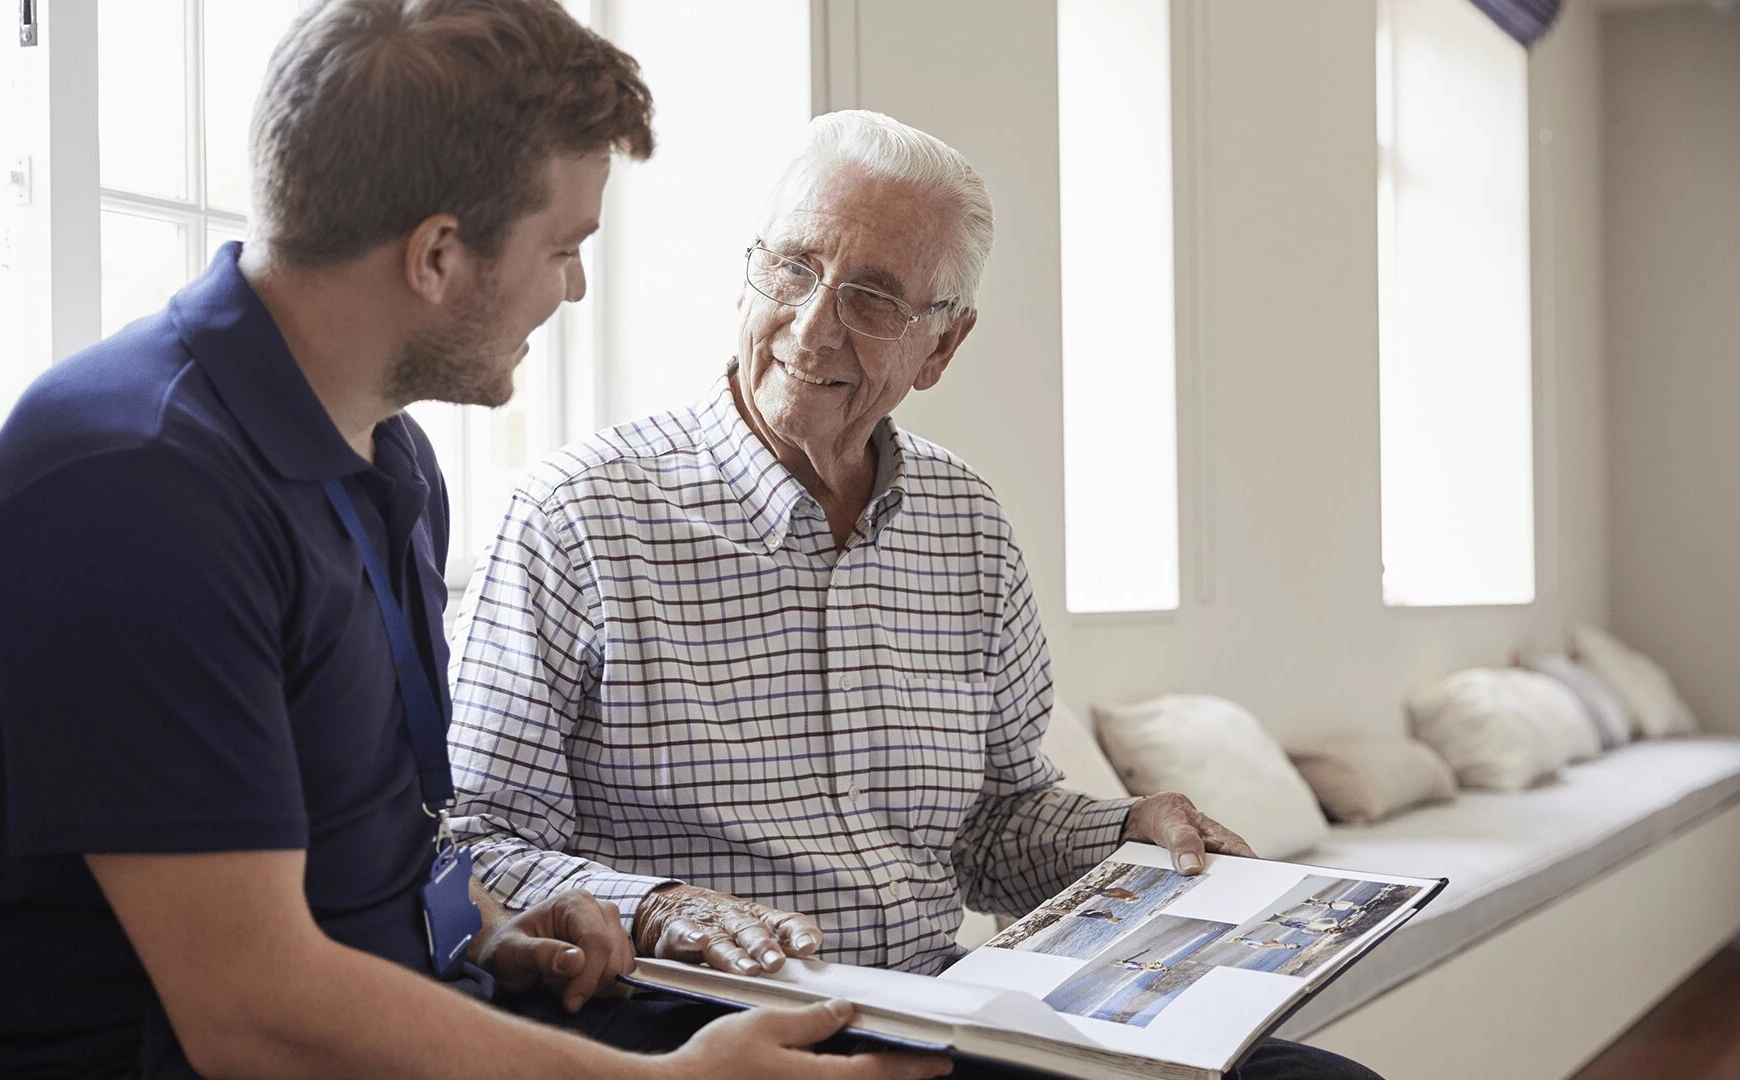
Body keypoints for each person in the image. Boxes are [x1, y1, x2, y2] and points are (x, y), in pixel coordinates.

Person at [0, 4, 948, 1079]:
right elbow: (249, 1014)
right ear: (440, 256)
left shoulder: (384, 456)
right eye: (564, 248)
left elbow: (376, 850)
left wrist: (489, 932)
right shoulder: (134, 487)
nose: (575, 287)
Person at [446, 109, 1380, 1080]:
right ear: (748, 269)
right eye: (794, 268)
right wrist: (657, 906)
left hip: (941, 1009)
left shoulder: (968, 525)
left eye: (874, 299)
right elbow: (472, 844)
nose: (813, 326)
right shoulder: (579, 515)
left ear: (943, 347)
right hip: (692, 1024)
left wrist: (1125, 832)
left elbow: (996, 826)